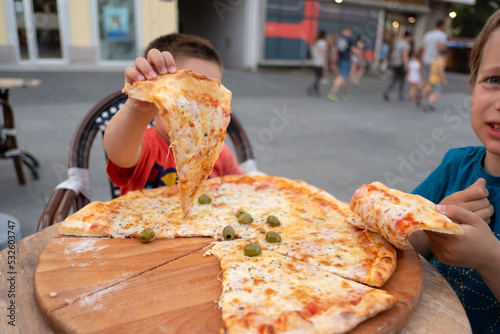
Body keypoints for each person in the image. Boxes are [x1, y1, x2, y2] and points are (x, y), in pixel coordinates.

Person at [409, 10, 500, 333]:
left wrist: (490, 257)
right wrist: (433, 223)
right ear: (473, 84)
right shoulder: (455, 166)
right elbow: (400, 241)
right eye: (494, 80)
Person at [103, 33, 243, 195]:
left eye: (210, 96)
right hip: (143, 219)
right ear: (159, 94)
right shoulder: (148, 146)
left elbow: (241, 190)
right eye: (188, 93)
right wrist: (138, 111)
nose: (199, 106)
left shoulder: (219, 153)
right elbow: (120, 153)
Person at [328, 26, 355, 102]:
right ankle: (332, 93)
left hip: (340, 60)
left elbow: (334, 49)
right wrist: (358, 52)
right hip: (346, 60)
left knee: (342, 78)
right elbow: (353, 49)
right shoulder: (349, 39)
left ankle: (345, 93)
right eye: (349, 32)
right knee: (340, 77)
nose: (349, 33)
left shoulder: (339, 39)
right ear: (345, 31)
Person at [383, 32, 412, 101]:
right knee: (402, 80)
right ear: (408, 37)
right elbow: (405, 56)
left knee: (394, 79)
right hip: (401, 64)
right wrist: (406, 65)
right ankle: (401, 95)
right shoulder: (406, 45)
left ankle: (387, 91)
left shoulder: (398, 43)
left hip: (395, 63)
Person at [420, 20, 447, 85]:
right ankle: (430, 94)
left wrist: (421, 60)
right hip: (435, 61)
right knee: (434, 83)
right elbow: (441, 48)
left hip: (425, 59)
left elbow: (423, 48)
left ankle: (422, 93)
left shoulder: (427, 34)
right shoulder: (442, 35)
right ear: (442, 26)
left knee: (426, 80)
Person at [307, 30, 328, 97]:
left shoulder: (316, 42)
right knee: (319, 77)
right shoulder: (323, 43)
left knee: (317, 76)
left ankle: (313, 88)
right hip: (320, 62)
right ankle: (316, 90)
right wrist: (325, 63)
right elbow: (323, 53)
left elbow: (312, 51)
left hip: (314, 61)